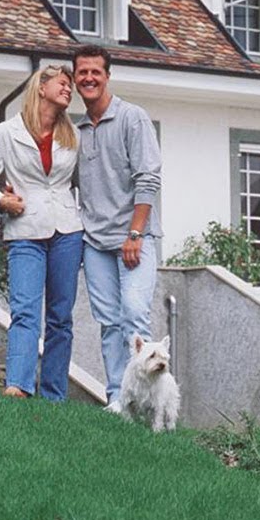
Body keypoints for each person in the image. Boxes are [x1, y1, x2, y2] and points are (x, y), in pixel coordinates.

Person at [0, 64, 85, 401]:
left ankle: (53, 394)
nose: (69, 90)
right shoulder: (4, 134)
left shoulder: (74, 136)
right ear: (41, 87)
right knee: (24, 311)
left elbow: (81, 185)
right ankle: (18, 386)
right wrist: (1, 200)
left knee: (61, 318)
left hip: (68, 231)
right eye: (63, 84)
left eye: (70, 87)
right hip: (24, 231)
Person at [71, 44, 163, 405]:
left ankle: (146, 400)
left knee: (135, 315)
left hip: (134, 238)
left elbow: (148, 179)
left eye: (96, 72)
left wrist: (135, 234)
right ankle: (117, 399)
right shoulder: (77, 130)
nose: (89, 78)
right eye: (82, 72)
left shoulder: (132, 118)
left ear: (108, 75)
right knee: (108, 322)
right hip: (95, 243)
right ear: (76, 79)